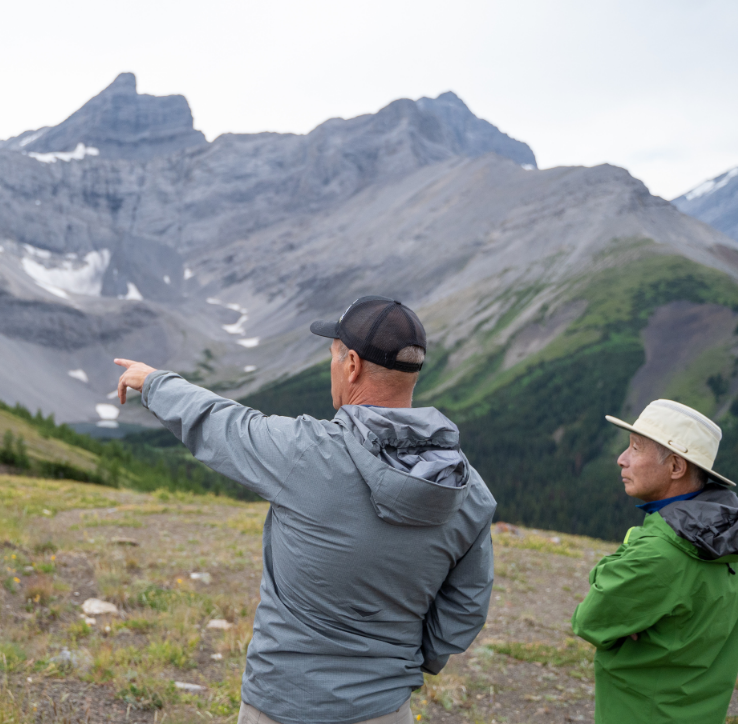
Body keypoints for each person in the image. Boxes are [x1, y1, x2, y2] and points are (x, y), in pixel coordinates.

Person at [115, 296, 496, 724]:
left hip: (281, 704)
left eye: (332, 356)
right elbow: (465, 607)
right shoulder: (469, 490)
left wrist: (152, 381)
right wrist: (401, 660)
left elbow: (220, 424)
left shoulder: (304, 453)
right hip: (386, 708)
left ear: (351, 364)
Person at [571, 399, 738, 724]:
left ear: (675, 467)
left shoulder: (659, 552)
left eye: (636, 449)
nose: (621, 459)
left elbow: (589, 620)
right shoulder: (724, 536)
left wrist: (616, 585)